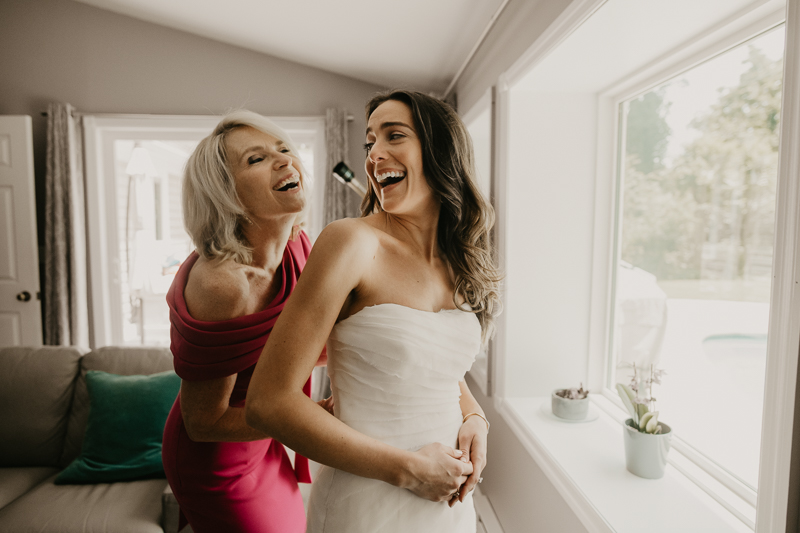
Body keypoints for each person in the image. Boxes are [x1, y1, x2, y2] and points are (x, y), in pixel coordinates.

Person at [246, 90, 501, 532]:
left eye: (394, 135)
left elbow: (432, 364)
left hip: (449, 503)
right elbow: (268, 402)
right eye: (369, 143)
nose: (375, 155)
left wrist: (475, 416)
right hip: (367, 504)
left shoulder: (461, 260)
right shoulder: (351, 242)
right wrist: (410, 470)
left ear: (441, 151)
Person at [161, 110, 331, 533]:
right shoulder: (224, 286)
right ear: (225, 193)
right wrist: (312, 416)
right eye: (256, 159)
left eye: (285, 149)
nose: (284, 161)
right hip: (216, 460)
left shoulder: (301, 248)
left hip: (265, 438)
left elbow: (307, 345)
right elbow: (203, 423)